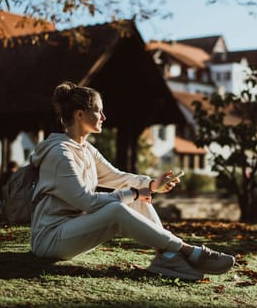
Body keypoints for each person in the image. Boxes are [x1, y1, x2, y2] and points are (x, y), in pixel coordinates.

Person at [29, 81, 234, 280]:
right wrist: (134, 193)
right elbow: (86, 201)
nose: (104, 116)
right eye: (98, 111)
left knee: (133, 198)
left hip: (73, 230)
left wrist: (151, 185)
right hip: (50, 239)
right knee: (118, 207)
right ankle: (187, 250)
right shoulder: (60, 154)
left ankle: (168, 256)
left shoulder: (86, 150)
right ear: (80, 114)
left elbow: (117, 177)